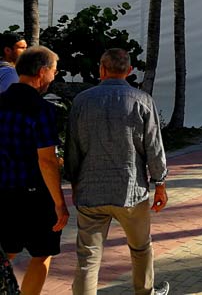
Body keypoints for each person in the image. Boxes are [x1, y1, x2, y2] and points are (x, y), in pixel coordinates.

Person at [65, 48, 169, 295]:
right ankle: (145, 292)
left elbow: (72, 147)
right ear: (129, 70)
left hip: (91, 191)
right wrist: (160, 183)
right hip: (131, 191)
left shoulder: (82, 101)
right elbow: (154, 147)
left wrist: (74, 183)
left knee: (88, 257)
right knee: (141, 248)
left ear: (101, 69)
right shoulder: (142, 100)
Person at [0, 46, 69, 295]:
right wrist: (59, 203)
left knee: (6, 252)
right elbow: (47, 161)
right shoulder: (41, 109)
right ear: (42, 72)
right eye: (54, 71)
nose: (54, 76)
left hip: (3, 191)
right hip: (34, 193)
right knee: (42, 253)